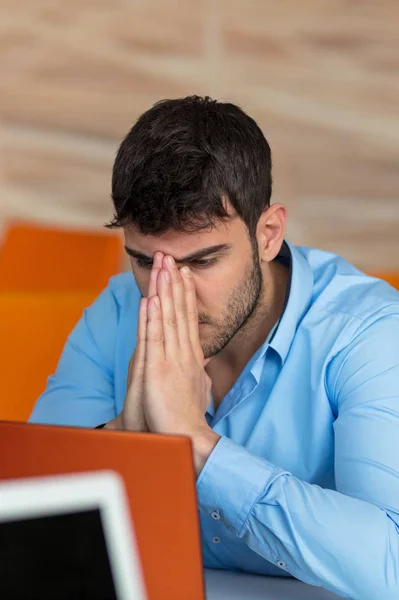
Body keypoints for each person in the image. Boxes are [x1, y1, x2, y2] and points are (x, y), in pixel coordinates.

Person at [30, 96, 399, 600]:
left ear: (267, 235)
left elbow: (391, 562)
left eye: (202, 261)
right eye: (144, 262)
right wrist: (126, 439)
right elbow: (26, 518)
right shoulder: (114, 313)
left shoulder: (367, 332)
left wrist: (194, 442)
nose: (170, 292)